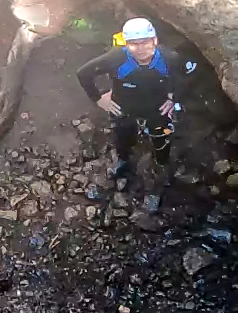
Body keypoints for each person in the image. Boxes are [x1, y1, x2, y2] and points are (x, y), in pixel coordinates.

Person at [76, 18, 197, 198]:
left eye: (145, 42)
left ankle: (160, 172)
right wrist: (98, 98)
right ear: (126, 44)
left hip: (158, 110)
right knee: (123, 137)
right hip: (123, 108)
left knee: (161, 141)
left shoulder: (169, 58)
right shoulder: (116, 58)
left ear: (155, 40)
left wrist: (174, 98)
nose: (140, 49)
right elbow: (83, 73)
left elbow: (189, 74)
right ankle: (123, 160)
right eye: (134, 44)